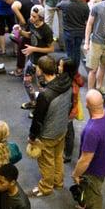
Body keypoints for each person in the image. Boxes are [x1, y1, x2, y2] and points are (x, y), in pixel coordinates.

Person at [28, 55, 72, 196]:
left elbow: (37, 120)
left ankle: (45, 187)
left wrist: (32, 137)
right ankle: (58, 182)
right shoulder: (66, 82)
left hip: (48, 134)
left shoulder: (45, 96)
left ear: (40, 70)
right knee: (58, 157)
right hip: (62, 129)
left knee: (46, 162)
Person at [20, 5, 54, 111]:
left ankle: (41, 108)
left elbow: (51, 49)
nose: (31, 18)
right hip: (32, 59)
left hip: (42, 63)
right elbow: (30, 34)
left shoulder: (47, 30)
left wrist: (34, 49)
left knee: (42, 87)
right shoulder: (31, 23)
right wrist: (20, 31)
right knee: (26, 82)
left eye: (34, 16)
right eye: (31, 15)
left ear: (41, 17)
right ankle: (33, 102)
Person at [56, 0, 90, 71]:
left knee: (69, 53)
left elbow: (57, 5)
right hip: (80, 32)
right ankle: (75, 71)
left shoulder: (65, 3)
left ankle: (69, 71)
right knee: (77, 51)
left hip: (68, 33)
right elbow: (87, 19)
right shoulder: (84, 5)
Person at [1, 0, 33, 77]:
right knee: (27, 46)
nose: (6, 3)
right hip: (37, 24)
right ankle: (29, 67)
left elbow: (22, 21)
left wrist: (17, 30)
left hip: (30, 27)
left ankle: (19, 70)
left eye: (5, 1)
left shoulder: (14, 5)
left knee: (21, 48)